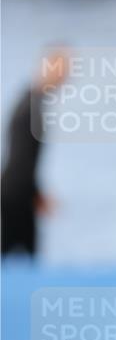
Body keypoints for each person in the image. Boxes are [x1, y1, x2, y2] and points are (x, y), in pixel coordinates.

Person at [1, 48, 68, 256]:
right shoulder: (30, 107)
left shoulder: (30, 101)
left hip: (18, 192)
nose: (65, 76)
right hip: (15, 196)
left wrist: (36, 192)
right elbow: (20, 159)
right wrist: (33, 193)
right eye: (62, 68)